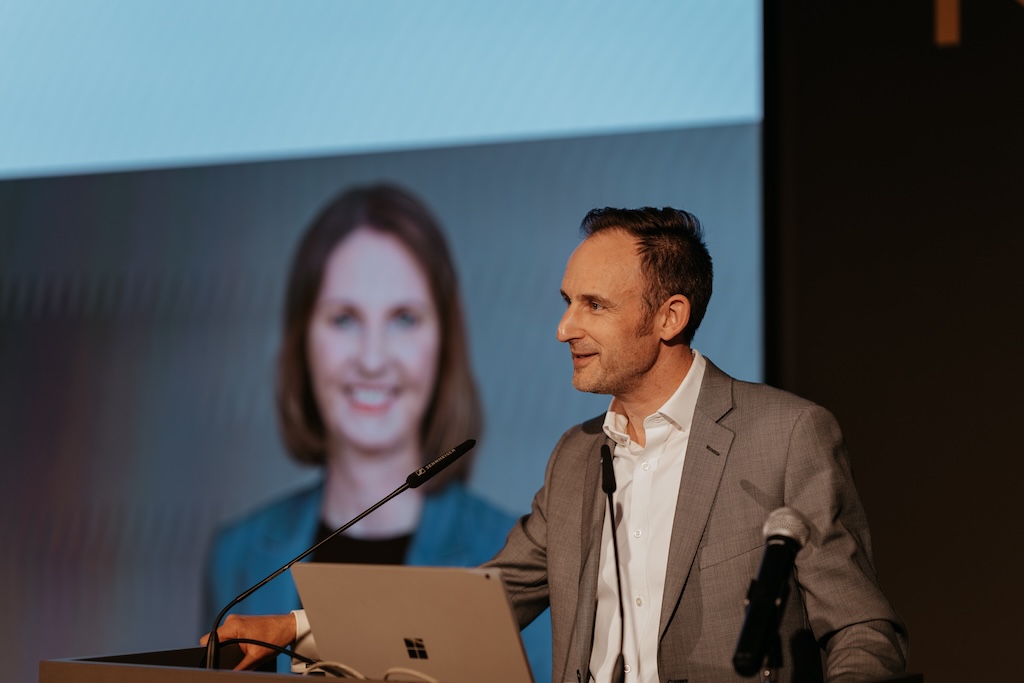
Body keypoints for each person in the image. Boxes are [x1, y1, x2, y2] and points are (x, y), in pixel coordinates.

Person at [206, 205, 908, 682]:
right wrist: (296, 626)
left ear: (669, 316)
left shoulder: (784, 435)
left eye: (593, 305)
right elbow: (485, 598)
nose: (565, 328)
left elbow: (863, 630)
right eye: (567, 302)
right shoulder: (577, 455)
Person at [202, 183, 551, 677]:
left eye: (403, 318)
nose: (371, 359)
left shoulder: (527, 559)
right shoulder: (237, 555)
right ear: (302, 339)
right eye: (344, 318)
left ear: (443, 342)